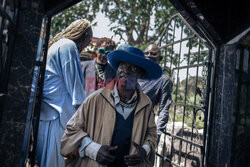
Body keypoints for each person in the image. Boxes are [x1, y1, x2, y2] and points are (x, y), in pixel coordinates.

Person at [61, 46, 163, 167]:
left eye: (133, 68)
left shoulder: (146, 104)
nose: (126, 70)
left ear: (140, 75)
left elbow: (151, 133)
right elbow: (71, 131)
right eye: (123, 65)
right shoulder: (95, 99)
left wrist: (144, 150)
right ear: (117, 69)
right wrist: (94, 149)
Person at [36, 19, 92, 167]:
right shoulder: (69, 46)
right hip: (58, 117)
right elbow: (76, 88)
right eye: (88, 41)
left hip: (47, 115)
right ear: (84, 35)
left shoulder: (57, 44)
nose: (86, 46)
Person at [138, 43, 172, 141]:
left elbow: (164, 109)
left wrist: (156, 136)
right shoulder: (135, 74)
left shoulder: (163, 80)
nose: (149, 55)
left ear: (160, 58)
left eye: (153, 54)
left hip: (144, 126)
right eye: (146, 53)